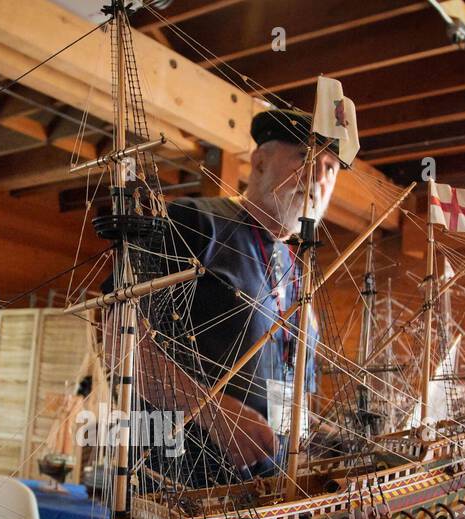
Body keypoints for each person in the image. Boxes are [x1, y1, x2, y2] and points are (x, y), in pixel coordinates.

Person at [127, 107, 342, 485]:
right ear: (259, 162)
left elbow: (292, 399)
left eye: (331, 168)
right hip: (178, 486)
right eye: (306, 158)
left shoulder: (297, 271)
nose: (319, 178)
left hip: (271, 494)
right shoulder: (194, 223)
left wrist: (332, 440)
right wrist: (212, 411)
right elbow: (119, 340)